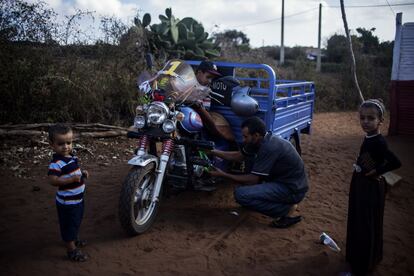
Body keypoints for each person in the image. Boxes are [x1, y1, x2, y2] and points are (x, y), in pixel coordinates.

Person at [209, 116, 308, 228]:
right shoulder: (259, 140)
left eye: (245, 136)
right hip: (283, 181)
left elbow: (253, 179)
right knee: (248, 190)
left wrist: (223, 175)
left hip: (292, 189)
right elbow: (238, 156)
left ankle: (284, 210)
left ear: (256, 135)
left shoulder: (269, 147)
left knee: (241, 195)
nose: (243, 139)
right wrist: (213, 152)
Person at [346, 99, 401, 275]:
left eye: (371, 118)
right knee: (359, 221)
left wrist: (376, 171)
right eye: (362, 118)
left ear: (381, 120)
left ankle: (363, 264)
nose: (366, 122)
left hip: (369, 189)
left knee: (366, 224)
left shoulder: (379, 141)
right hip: (361, 184)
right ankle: (361, 258)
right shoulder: (370, 138)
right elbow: (368, 158)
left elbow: (395, 162)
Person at [48, 124, 89, 262]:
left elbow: (74, 171)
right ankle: (71, 249)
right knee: (68, 224)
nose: (65, 146)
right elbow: (53, 180)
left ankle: (73, 238)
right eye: (61, 144)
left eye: (68, 143)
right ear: (52, 144)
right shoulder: (56, 163)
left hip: (77, 199)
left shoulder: (71, 156)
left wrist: (82, 173)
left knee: (76, 221)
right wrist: (70, 179)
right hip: (67, 202)